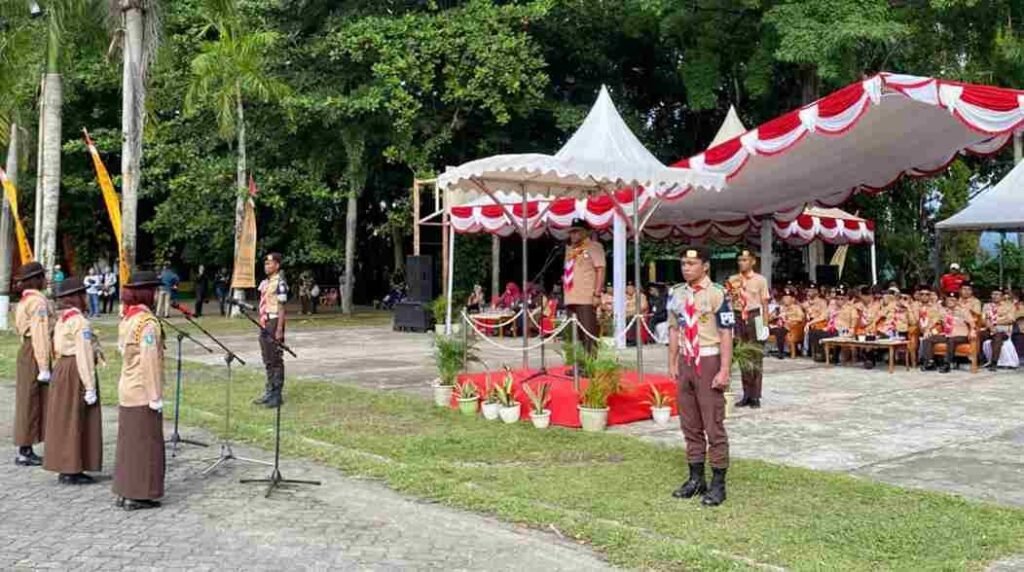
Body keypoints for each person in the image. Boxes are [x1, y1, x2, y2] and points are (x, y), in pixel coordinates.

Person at [667, 246, 733, 507]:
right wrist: (672, 362)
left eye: (692, 264)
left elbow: (727, 332)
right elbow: (674, 329)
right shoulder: (676, 293)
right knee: (690, 422)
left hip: (708, 358)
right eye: (683, 263)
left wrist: (724, 369)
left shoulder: (717, 293)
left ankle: (718, 484)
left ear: (704, 266)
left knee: (713, 423)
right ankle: (696, 479)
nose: (686, 268)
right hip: (686, 359)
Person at [113, 270, 165, 510]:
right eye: (154, 290)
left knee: (129, 443)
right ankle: (138, 493)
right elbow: (149, 361)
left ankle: (125, 490)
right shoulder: (147, 323)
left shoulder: (127, 319)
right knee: (145, 444)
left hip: (127, 385)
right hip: (142, 390)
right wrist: (155, 396)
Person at [43, 277, 102, 485]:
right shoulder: (79, 322)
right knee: (76, 419)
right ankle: (72, 468)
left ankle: (65, 464)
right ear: (77, 297)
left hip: (61, 368)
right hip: (75, 370)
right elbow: (84, 355)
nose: (85, 297)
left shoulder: (63, 319)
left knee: (64, 418)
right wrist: (90, 386)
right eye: (83, 294)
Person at [13, 262, 51, 467]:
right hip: (35, 351)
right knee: (32, 400)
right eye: (42, 276)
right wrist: (44, 365)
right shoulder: (37, 303)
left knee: (27, 398)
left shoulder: (25, 300)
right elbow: (40, 334)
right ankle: (25, 449)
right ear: (35, 279)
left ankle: (25, 447)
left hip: (26, 350)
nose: (45, 280)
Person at [727, 249, 769, 408]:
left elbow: (764, 304)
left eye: (745, 260)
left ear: (753, 261)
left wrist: (765, 325)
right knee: (743, 356)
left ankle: (756, 395)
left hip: (754, 316)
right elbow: (730, 302)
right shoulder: (733, 280)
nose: (742, 263)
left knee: (756, 356)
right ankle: (746, 394)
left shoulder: (760, 280)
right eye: (739, 260)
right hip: (738, 317)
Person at [562, 218, 605, 355]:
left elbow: (600, 270)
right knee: (574, 335)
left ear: (586, 232)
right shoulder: (570, 250)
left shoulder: (594, 247)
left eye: (577, 232)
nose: (573, 235)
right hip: (570, 296)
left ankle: (590, 365)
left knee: (588, 333)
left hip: (586, 297)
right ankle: (578, 365)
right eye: (571, 232)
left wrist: (597, 294)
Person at [253, 253, 289, 408]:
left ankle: (277, 394)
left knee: (275, 358)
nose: (266, 266)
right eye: (265, 263)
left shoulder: (280, 282)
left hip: (274, 321)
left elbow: (281, 307)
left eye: (270, 263)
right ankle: (269, 391)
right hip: (265, 321)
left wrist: (279, 329)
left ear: (277, 265)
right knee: (267, 357)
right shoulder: (267, 282)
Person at [920, 292, 975, 373]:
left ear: (957, 301)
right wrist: (928, 330)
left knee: (951, 340)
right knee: (927, 339)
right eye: (948, 300)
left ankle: (947, 364)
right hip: (947, 334)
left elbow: (972, 322)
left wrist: (972, 330)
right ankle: (930, 362)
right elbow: (934, 321)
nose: (950, 302)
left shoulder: (963, 311)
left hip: (960, 335)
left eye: (953, 300)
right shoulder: (943, 311)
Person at [984, 288, 1015, 370]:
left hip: (1003, 331)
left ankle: (994, 362)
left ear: (1002, 296)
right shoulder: (986, 306)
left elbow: (1011, 319)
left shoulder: (1009, 306)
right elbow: (983, 319)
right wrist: (991, 327)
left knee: (997, 336)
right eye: (993, 294)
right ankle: (974, 360)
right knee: (977, 335)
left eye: (997, 294)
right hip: (988, 329)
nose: (995, 296)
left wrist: (995, 322)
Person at [769, 288, 804, 359]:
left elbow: (801, 318)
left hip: (789, 327)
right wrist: (775, 316)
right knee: (766, 329)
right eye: (784, 298)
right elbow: (769, 318)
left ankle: (780, 352)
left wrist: (787, 318)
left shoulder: (796, 308)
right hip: (777, 326)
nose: (785, 300)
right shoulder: (779, 308)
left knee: (779, 331)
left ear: (792, 299)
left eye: (787, 298)